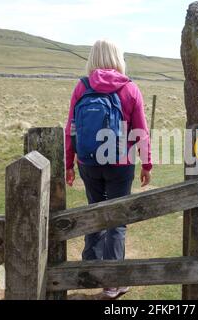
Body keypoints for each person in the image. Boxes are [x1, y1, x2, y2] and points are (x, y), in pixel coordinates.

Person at [64, 39, 152, 299]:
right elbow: (142, 132)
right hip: (120, 164)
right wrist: (146, 164)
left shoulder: (82, 87)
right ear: (117, 57)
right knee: (117, 221)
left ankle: (91, 268)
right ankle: (113, 283)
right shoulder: (130, 88)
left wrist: (68, 163)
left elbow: (71, 129)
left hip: (88, 162)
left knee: (94, 212)